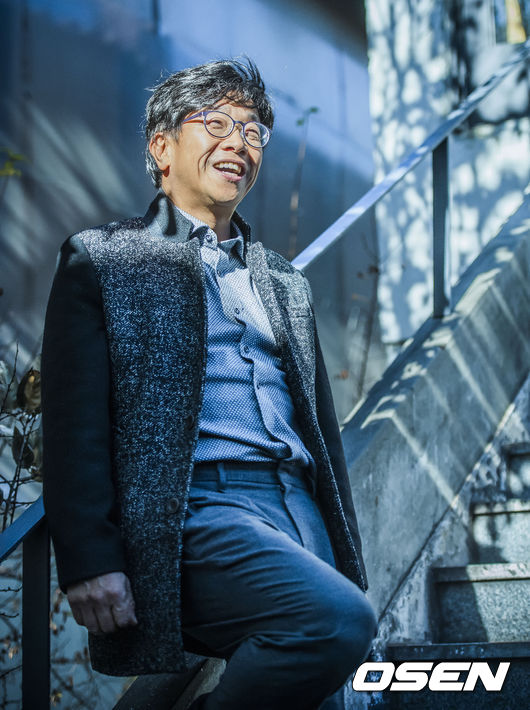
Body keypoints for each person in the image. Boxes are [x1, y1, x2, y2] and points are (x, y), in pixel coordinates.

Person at [41, 58, 377, 710]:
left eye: (253, 132)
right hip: (196, 510)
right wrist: (88, 558)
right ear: (162, 148)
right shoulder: (104, 258)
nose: (240, 143)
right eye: (217, 124)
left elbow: (322, 434)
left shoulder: (284, 280)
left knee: (330, 687)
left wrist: (345, 547)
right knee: (335, 623)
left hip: (298, 502)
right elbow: (72, 420)